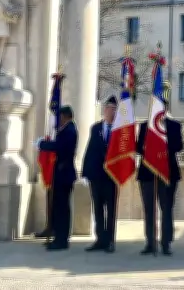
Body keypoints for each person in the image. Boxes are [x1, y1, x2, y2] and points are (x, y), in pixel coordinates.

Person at [136, 110, 184, 256]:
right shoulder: (145, 126)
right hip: (148, 174)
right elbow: (138, 147)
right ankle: (150, 242)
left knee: (166, 208)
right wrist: (149, 149)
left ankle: (166, 243)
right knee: (149, 209)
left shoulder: (174, 126)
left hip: (167, 174)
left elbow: (179, 146)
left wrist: (162, 145)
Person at [36, 105, 78, 251]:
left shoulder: (70, 130)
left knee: (62, 209)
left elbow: (59, 147)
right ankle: (56, 236)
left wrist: (42, 144)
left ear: (65, 116)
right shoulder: (65, 130)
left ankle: (62, 240)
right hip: (59, 174)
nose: (58, 120)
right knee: (57, 207)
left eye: (60, 117)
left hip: (64, 174)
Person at [81, 96, 118, 253]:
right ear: (104, 110)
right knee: (97, 209)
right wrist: (85, 172)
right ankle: (100, 239)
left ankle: (110, 240)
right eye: (110, 108)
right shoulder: (96, 128)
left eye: (115, 109)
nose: (112, 112)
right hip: (96, 175)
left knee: (110, 210)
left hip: (111, 176)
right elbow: (90, 150)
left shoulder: (119, 130)